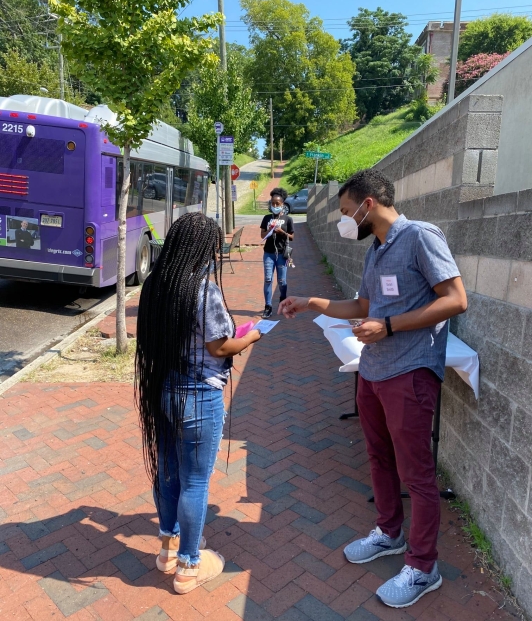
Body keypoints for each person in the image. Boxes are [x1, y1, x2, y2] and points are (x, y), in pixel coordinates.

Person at [279, 169, 467, 609]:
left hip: (410, 372)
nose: (346, 221)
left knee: (416, 475)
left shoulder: (420, 237)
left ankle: (424, 567)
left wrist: (390, 325)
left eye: (347, 212)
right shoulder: (377, 250)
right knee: (379, 458)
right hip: (375, 373)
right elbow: (363, 306)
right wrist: (310, 302)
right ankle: (388, 533)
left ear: (368, 204)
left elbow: (455, 299)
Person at [135, 212, 262, 595]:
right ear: (203, 250)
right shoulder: (203, 290)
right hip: (198, 396)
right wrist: (253, 334)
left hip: (165, 390)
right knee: (194, 481)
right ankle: (189, 566)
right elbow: (221, 346)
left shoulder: (156, 284)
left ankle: (168, 548)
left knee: (169, 471)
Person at [260, 187, 294, 319]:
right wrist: (269, 230)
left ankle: (283, 300)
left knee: (282, 281)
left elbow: (292, 237)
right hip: (268, 253)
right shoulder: (267, 218)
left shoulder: (288, 219)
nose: (275, 206)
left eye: (277, 204)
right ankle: (268, 307)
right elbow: (262, 235)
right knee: (268, 279)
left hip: (282, 254)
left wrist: (281, 232)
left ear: (282, 204)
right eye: (273, 203)